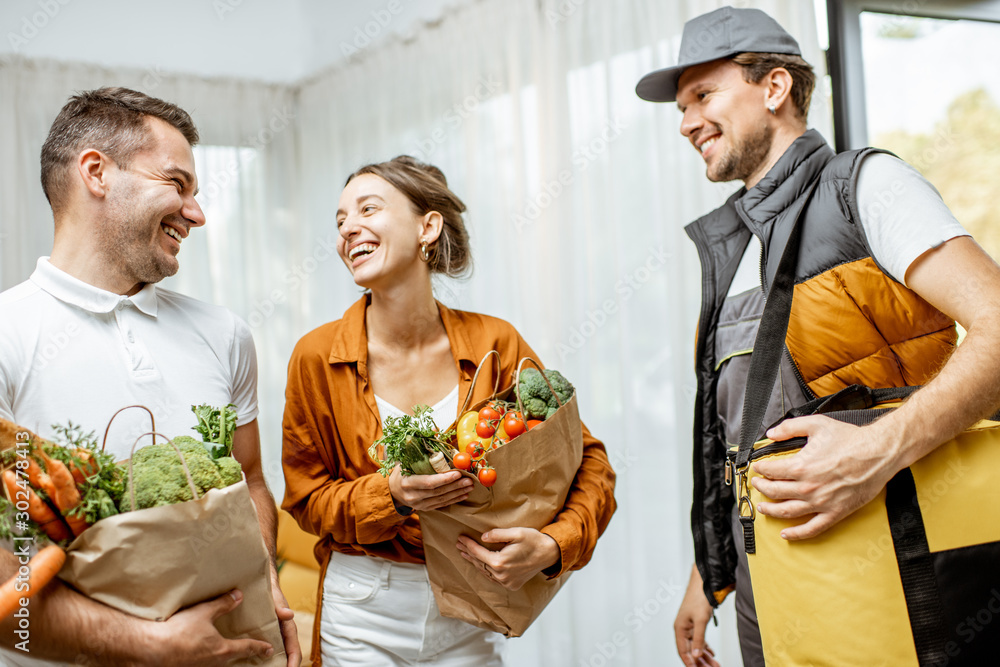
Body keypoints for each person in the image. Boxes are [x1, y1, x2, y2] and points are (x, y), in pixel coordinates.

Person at [635, 6, 1000, 667]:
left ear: (774, 88)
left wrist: (878, 448)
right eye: (681, 106)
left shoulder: (866, 186)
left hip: (893, 578)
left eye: (702, 95)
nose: (685, 121)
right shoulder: (731, 245)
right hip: (773, 594)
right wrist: (709, 574)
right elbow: (733, 434)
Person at [0, 87, 301, 666]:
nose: (197, 212)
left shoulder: (226, 335)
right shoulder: (10, 335)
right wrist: (151, 646)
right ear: (96, 172)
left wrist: (260, 581)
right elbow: (4, 570)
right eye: (177, 183)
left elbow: (253, 481)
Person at [281, 155, 617, 666]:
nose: (349, 228)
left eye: (368, 208)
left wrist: (552, 546)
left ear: (427, 227)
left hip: (470, 604)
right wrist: (388, 495)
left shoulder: (496, 343)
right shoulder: (316, 358)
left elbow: (587, 461)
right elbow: (307, 501)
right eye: (340, 220)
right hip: (363, 610)